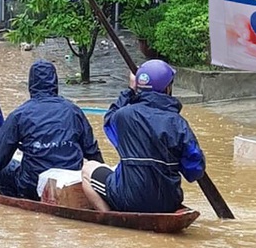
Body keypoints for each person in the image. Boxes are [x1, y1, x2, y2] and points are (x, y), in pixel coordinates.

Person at [0, 59, 104, 200]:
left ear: (31, 84)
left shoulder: (20, 114)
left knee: (3, 169)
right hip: (69, 182)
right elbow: (92, 151)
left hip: (32, 185)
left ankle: (14, 204)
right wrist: (104, 183)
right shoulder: (74, 111)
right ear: (55, 82)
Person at [81, 59, 205, 213]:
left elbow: (109, 120)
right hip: (169, 202)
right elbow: (194, 171)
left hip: (128, 198)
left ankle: (109, 216)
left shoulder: (122, 117)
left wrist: (130, 91)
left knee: (87, 170)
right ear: (167, 88)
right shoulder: (179, 124)